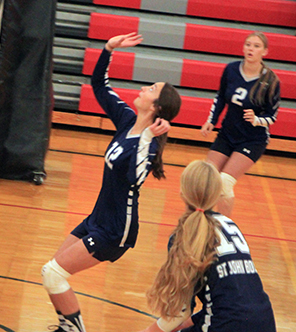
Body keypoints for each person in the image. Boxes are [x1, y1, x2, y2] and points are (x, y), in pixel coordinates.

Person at [41, 32, 182, 332]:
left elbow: (133, 177)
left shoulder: (151, 146)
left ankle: (74, 330)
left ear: (156, 107)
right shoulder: (128, 120)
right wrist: (108, 49)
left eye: (151, 89)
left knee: (52, 274)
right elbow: (99, 86)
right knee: (54, 272)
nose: (143, 88)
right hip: (98, 218)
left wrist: (147, 137)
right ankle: (68, 326)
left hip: (116, 230)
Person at [139, 160, 276, 332]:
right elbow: (229, 303)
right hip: (265, 321)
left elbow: (180, 312)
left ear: (182, 192)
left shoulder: (182, 236)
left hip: (227, 325)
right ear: (217, 194)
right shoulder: (230, 225)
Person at [201, 31, 280, 217]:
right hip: (227, 134)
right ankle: (201, 222)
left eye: (256, 46)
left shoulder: (270, 81)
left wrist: (256, 119)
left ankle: (224, 229)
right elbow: (220, 97)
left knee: (224, 182)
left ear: (265, 52)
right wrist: (211, 121)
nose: (251, 49)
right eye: (248, 44)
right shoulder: (231, 69)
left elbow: (272, 116)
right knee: (206, 179)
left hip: (252, 140)